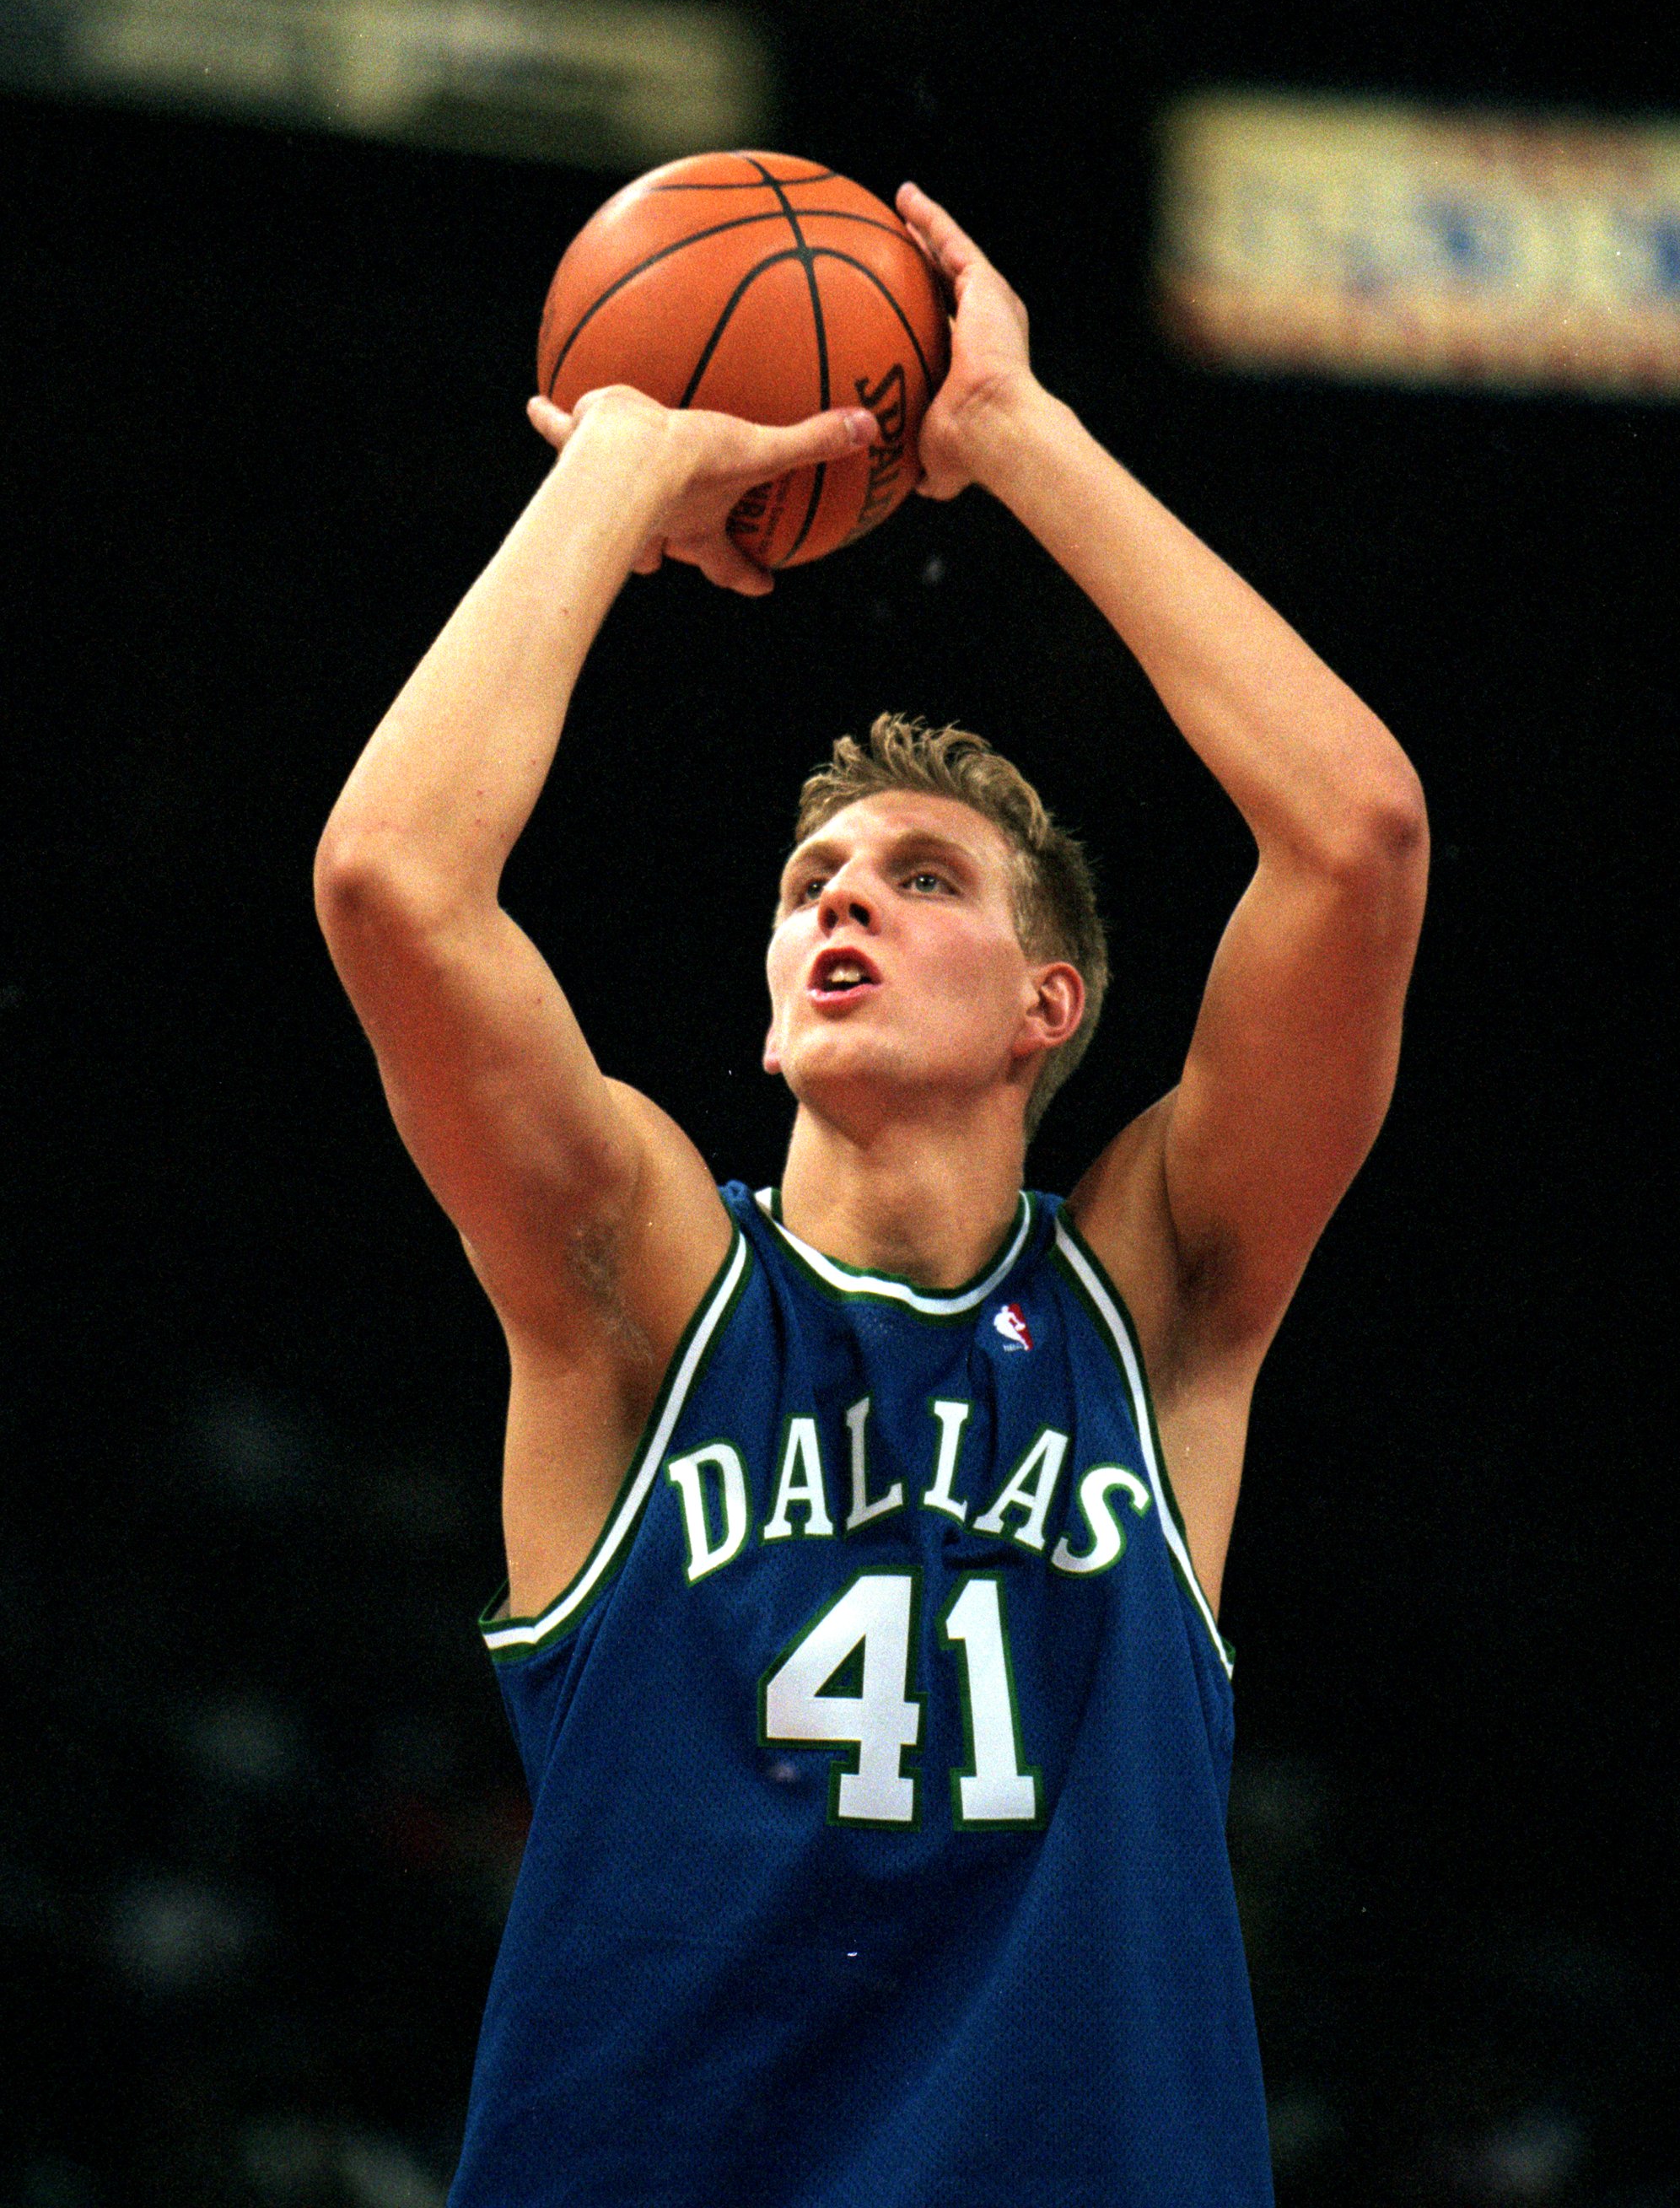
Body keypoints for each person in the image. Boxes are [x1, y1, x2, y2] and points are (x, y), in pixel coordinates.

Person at [315, 182, 1428, 2207]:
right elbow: (393, 880)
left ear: (1048, 1002)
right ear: (765, 1002)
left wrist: (1014, 436)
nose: (842, 898)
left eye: (921, 881)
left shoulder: (1156, 1302)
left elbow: (1355, 837)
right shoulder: (645, 1292)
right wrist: (623, 471)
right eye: (811, 884)